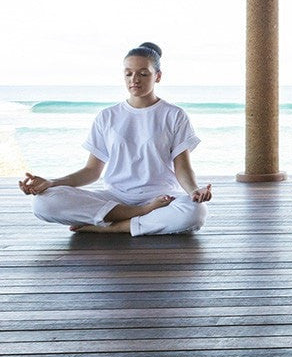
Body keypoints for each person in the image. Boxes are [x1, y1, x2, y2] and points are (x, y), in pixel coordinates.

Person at [19, 42, 211, 235]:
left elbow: (182, 167)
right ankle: (140, 214)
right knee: (43, 202)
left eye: (143, 73)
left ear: (158, 76)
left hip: (162, 197)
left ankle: (114, 227)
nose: (134, 79)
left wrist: (193, 191)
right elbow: (92, 171)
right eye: (128, 73)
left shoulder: (174, 115)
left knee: (196, 211)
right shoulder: (107, 116)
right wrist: (52, 183)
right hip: (115, 197)